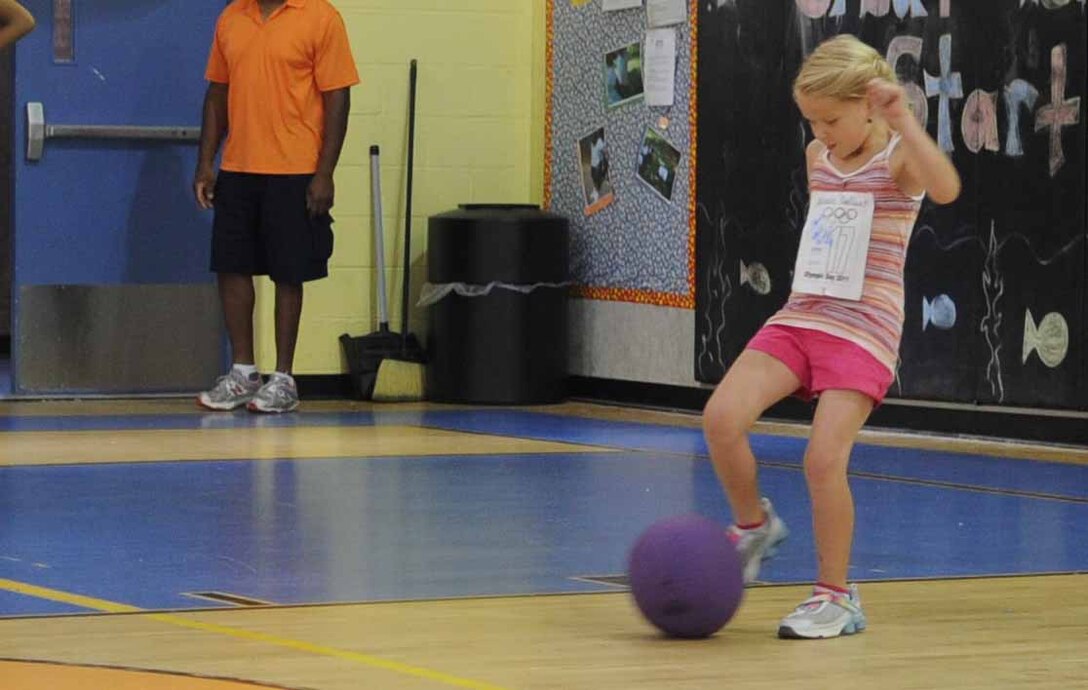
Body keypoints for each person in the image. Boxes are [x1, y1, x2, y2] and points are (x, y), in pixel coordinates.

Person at [702, 34, 960, 639]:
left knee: (822, 460)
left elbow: (945, 188)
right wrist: (826, 135)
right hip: (801, 317)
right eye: (811, 120)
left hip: (862, 330)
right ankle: (753, 525)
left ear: (869, 107)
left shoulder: (897, 158)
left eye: (831, 119)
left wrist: (904, 120)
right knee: (720, 418)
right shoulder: (819, 157)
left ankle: (836, 597)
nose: (820, 132)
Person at [194, 0, 359, 413]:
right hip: (238, 166)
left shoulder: (322, 17)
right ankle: (244, 372)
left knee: (289, 272)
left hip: (296, 168)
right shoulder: (232, 17)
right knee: (231, 266)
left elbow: (337, 98)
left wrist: (325, 172)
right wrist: (205, 164)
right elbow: (218, 93)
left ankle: (283, 379)